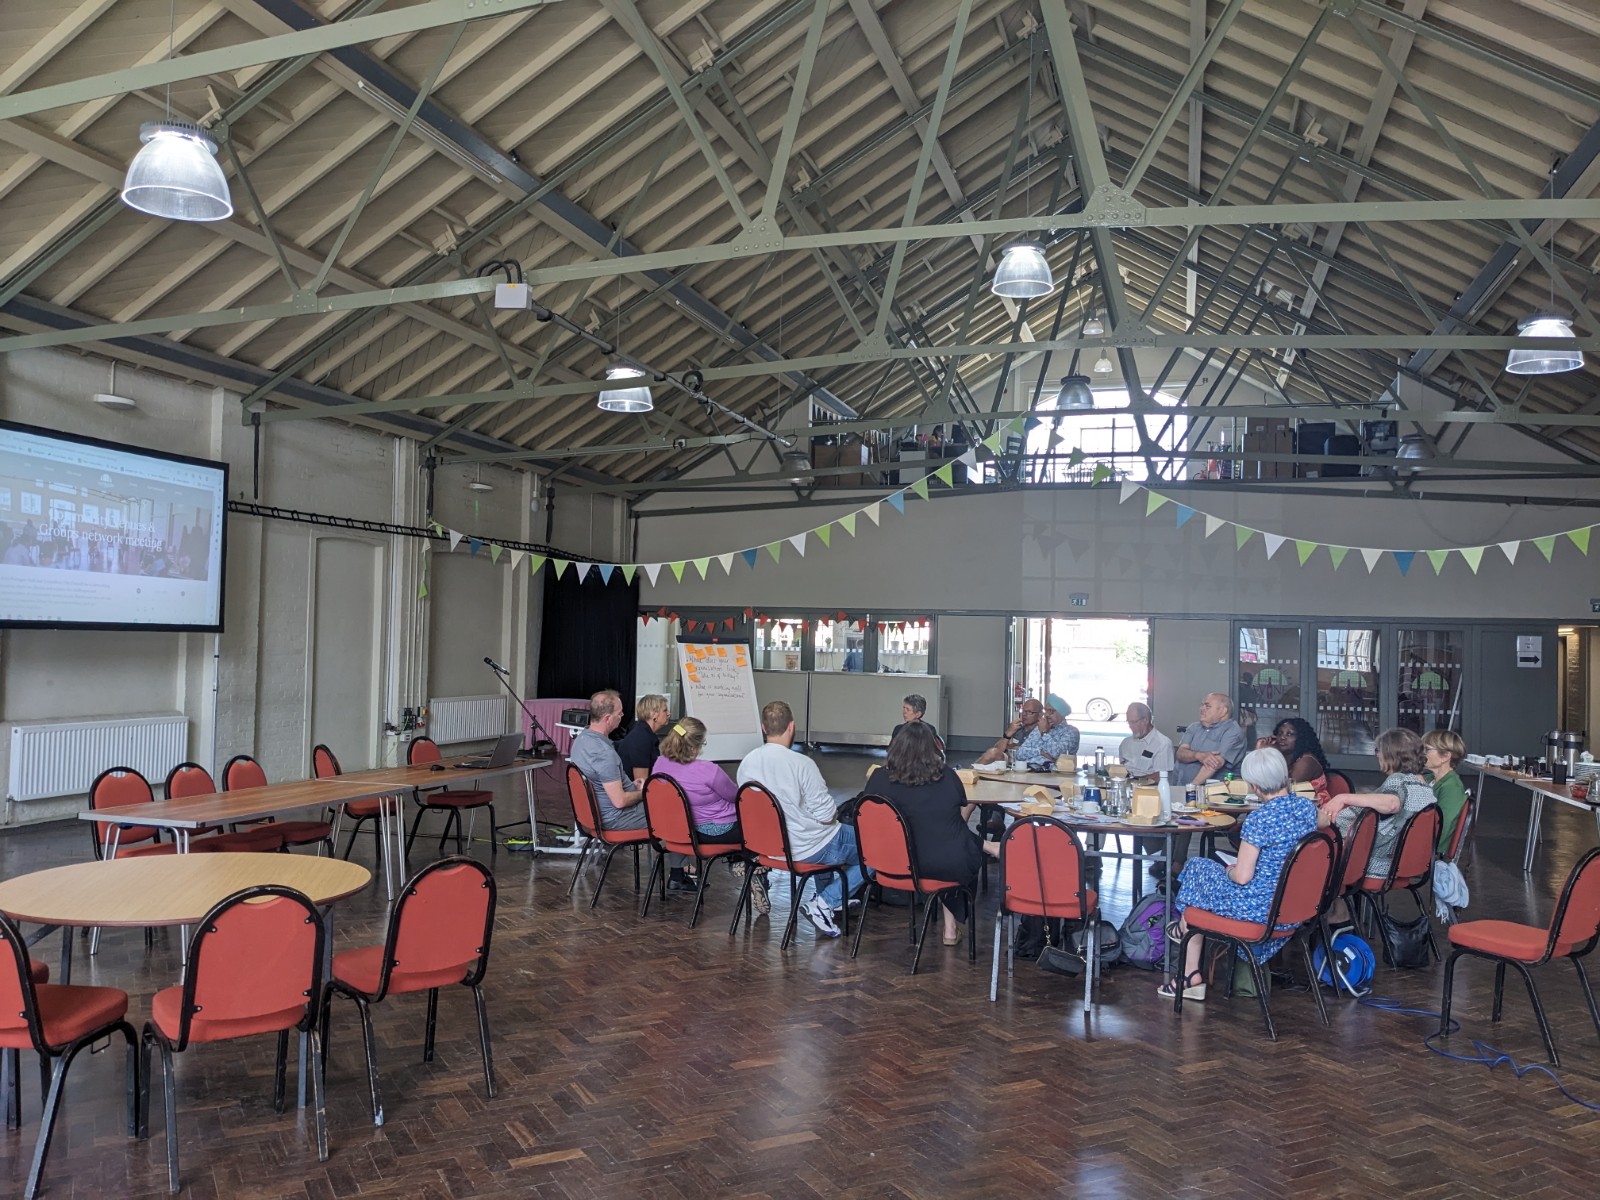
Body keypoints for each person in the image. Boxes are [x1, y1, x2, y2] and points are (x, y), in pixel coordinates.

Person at [1158, 748, 1318, 1001]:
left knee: (1197, 872)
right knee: (1200, 870)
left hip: (1259, 909)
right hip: (1292, 906)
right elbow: (1318, 827)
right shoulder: (1307, 809)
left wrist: (1230, 870)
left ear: (1255, 787)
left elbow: (1243, 877)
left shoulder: (1259, 819)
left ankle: (1187, 958)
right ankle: (1187, 958)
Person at [864, 722, 999, 946]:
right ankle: (950, 929)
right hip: (937, 864)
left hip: (889, 862)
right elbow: (955, 816)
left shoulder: (878, 778)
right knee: (957, 850)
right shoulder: (946, 777)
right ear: (932, 749)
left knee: (946, 841)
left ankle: (984, 846)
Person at [738, 700, 864, 938]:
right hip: (806, 847)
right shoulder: (802, 764)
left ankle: (829, 900)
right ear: (791, 726)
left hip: (768, 847)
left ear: (764, 728)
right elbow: (827, 816)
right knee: (878, 848)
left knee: (823, 835)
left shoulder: (747, 763)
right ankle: (826, 901)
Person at [652, 716, 760, 901]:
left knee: (679, 816)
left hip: (677, 830)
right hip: (715, 831)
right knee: (757, 825)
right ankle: (751, 867)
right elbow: (735, 796)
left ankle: (677, 875)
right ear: (695, 747)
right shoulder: (708, 770)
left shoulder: (660, 764)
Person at [1322, 726, 1437, 888]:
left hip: (1375, 864)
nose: (1377, 755)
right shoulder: (1422, 785)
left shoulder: (1398, 780)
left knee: (1317, 852)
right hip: (1404, 862)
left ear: (1391, 754)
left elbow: (1392, 804)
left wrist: (1343, 797)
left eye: (1378, 750)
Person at [568, 689, 646, 830]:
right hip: (618, 818)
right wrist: (644, 792)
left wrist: (631, 786)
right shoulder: (604, 753)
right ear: (608, 718)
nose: (622, 716)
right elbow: (620, 801)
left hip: (595, 815)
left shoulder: (581, 740)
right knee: (674, 811)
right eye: (619, 713)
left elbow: (602, 783)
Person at [1174, 693, 1248, 789]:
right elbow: (1180, 753)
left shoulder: (1233, 732)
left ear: (1223, 711)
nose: (1202, 709)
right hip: (1180, 787)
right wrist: (1198, 755)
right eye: (1202, 705)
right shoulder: (1194, 727)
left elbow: (1213, 764)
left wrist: (1191, 789)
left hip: (1212, 793)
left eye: (1207, 706)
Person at [1259, 717, 1332, 805]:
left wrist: (1264, 753)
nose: (1282, 737)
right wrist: (1261, 751)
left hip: (1316, 809)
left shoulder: (1306, 761)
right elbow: (1257, 778)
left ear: (1301, 738)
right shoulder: (1282, 757)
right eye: (1280, 733)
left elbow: (1283, 789)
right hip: (1291, 807)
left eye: (1289, 734)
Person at [1422, 728, 1469, 856]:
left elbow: (1442, 828)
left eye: (1427, 749)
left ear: (1445, 756)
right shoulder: (1428, 778)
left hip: (1428, 850)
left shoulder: (1452, 788)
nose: (1421, 753)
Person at [617, 693, 671, 785]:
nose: (668, 713)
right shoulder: (641, 739)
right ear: (653, 715)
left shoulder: (643, 733)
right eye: (665, 710)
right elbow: (641, 782)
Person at [975, 697, 1044, 765]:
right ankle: (971, 771)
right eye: (1023, 711)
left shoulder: (1042, 731)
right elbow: (998, 749)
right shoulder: (1017, 729)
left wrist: (1011, 747)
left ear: (1040, 715)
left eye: (1029, 712)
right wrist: (1008, 733)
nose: (1024, 715)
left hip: (1029, 762)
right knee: (991, 753)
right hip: (1010, 760)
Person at [1119, 703, 1175, 781]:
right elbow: (1121, 767)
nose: (1130, 726)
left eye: (1133, 722)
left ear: (1145, 720)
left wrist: (1135, 781)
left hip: (1149, 786)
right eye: (1128, 722)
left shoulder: (1163, 744)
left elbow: (1161, 775)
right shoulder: (1126, 743)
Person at [1014, 703, 1079, 765]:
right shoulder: (1039, 729)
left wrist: (1044, 733)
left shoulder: (1071, 731)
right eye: (1045, 711)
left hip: (1053, 772)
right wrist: (1040, 752)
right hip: (1029, 769)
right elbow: (1019, 754)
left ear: (1061, 713)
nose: (1046, 714)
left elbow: (1058, 755)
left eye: (1050, 711)